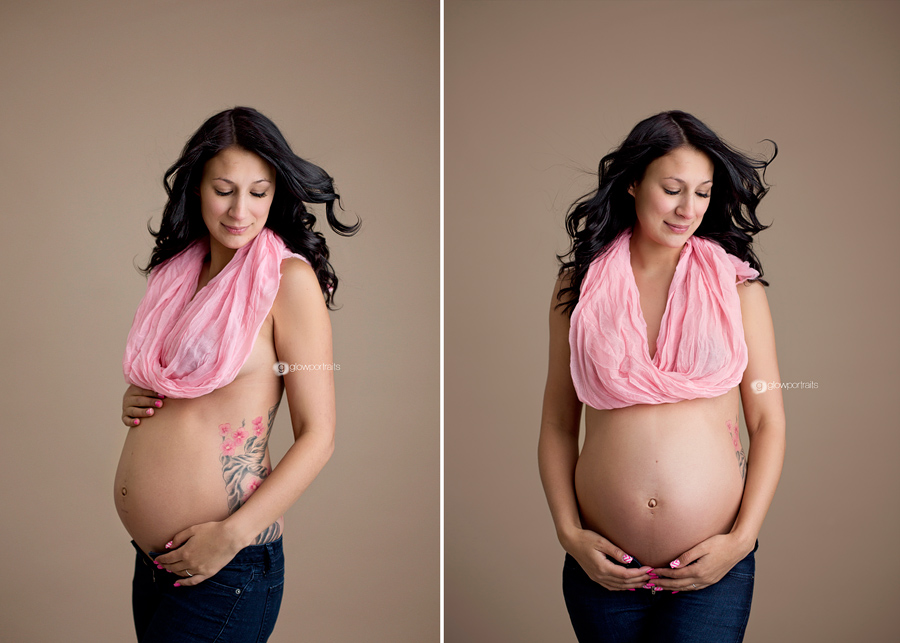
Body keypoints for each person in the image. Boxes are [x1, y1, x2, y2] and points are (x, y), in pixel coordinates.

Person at [538, 110, 785, 643]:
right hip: (602, 568)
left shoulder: (739, 288)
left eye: (702, 192)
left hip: (711, 567)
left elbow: (767, 420)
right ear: (632, 182)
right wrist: (569, 534)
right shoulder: (578, 285)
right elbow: (559, 421)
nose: (687, 209)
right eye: (672, 189)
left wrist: (741, 540)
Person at [114, 106, 358, 642]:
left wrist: (230, 537)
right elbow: (183, 384)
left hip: (226, 567)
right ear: (197, 188)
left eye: (259, 192)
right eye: (224, 189)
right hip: (154, 564)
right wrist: (140, 395)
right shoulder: (180, 271)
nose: (239, 210)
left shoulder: (288, 281)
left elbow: (319, 436)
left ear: (277, 195)